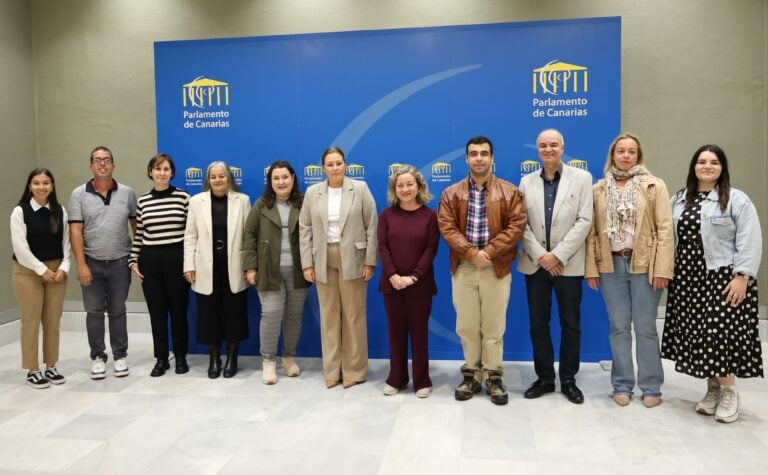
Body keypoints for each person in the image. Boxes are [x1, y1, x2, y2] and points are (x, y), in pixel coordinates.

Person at [662, 144, 763, 423]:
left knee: (721, 336)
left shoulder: (736, 199)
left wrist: (742, 276)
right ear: (694, 166)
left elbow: (750, 238)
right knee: (699, 335)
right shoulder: (680, 199)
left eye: (714, 162)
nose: (707, 166)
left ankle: (729, 392)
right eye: (702, 161)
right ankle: (713, 389)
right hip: (687, 279)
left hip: (723, 278)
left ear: (722, 168)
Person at [584, 133, 674, 408]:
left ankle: (651, 386)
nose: (625, 156)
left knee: (645, 328)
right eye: (620, 151)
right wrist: (591, 269)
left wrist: (662, 269)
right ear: (612, 155)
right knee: (619, 327)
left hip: (645, 265)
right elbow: (591, 234)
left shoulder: (653, 186)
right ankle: (621, 384)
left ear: (638, 155)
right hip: (610, 266)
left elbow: (666, 230)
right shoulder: (598, 189)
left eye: (631, 151)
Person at [437, 136, 527, 405]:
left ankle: (494, 375)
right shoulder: (451, 193)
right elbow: (446, 226)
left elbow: (516, 226)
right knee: (466, 325)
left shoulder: (510, 192)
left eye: (484, 153)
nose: (478, 158)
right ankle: (472, 374)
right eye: (473, 154)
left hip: (495, 267)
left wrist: (487, 252)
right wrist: (471, 253)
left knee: (493, 325)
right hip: (464, 268)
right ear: (466, 159)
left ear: (492, 158)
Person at [518, 129, 593, 404]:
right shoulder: (526, 182)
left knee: (570, 324)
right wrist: (542, 255)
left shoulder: (582, 178)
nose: (548, 149)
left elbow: (585, 220)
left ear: (563, 148)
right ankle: (545, 378)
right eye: (543, 145)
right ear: (537, 150)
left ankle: (569, 380)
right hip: (536, 265)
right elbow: (521, 223)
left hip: (568, 265)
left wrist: (557, 256)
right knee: (539, 324)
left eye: (553, 145)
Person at [299, 146, 378, 389]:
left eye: (339, 163)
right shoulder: (313, 193)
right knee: (329, 316)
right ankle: (332, 370)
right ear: (323, 168)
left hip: (353, 257)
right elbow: (305, 228)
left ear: (346, 164)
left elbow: (372, 225)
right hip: (323, 257)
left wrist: (369, 261)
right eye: (330, 164)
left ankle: (354, 370)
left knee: (354, 315)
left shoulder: (360, 188)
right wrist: (307, 264)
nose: (335, 168)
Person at [68, 146, 137, 379]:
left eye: (107, 160)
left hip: (120, 262)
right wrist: (81, 265)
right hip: (92, 262)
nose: (102, 164)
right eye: (97, 160)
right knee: (94, 312)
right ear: (91, 166)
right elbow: (75, 231)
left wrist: (137, 258)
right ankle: (98, 356)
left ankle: (120, 356)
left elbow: (136, 228)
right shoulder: (79, 194)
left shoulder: (127, 193)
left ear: (113, 165)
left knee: (118, 311)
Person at [243, 160, 310, 385]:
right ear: (270, 182)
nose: (281, 182)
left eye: (285, 177)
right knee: (271, 315)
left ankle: (289, 358)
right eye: (276, 178)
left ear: (293, 178)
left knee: (293, 316)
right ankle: (268, 362)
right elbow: (249, 235)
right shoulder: (261, 205)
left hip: (299, 270)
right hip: (268, 270)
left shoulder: (304, 204)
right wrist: (250, 267)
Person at [183, 161, 250, 379]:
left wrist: (250, 265)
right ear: (208, 180)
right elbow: (190, 236)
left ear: (229, 178)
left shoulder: (242, 201)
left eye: (222, 176)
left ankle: (232, 357)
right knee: (209, 315)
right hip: (205, 267)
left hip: (235, 266)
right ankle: (214, 358)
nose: (218, 180)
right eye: (214, 177)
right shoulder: (196, 202)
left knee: (234, 313)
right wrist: (189, 265)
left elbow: (249, 236)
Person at [378, 165, 439, 398]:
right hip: (391, 284)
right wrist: (393, 275)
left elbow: (431, 248)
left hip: (420, 285)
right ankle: (397, 378)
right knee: (395, 332)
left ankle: (422, 380)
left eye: (409, 184)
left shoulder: (429, 216)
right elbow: (382, 246)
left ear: (418, 186)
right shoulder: (386, 215)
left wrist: (413, 277)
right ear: (395, 188)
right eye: (400, 185)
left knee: (419, 332)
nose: (405, 189)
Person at [129, 154, 191, 377]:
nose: (162, 173)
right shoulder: (143, 201)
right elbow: (139, 234)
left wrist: (189, 264)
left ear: (172, 173)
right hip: (150, 259)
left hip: (176, 258)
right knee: (156, 312)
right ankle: (162, 358)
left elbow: (191, 234)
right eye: (157, 169)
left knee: (178, 311)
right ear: (150, 172)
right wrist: (133, 261)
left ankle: (181, 356)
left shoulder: (184, 198)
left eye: (166, 169)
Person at [11, 168, 70, 388]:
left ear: (52, 186)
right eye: (36, 183)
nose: (41, 187)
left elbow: (66, 243)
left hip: (56, 272)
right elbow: (20, 247)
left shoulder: (59, 211)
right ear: (29, 186)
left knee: (53, 321)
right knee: (31, 322)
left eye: (46, 183)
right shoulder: (20, 211)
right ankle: (32, 370)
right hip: (28, 273)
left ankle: (51, 366)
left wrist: (64, 267)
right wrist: (41, 270)